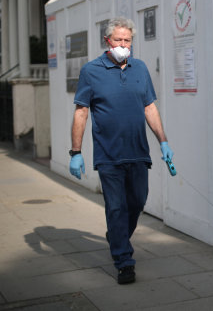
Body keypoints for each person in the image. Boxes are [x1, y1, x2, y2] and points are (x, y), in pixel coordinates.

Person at [69, 17, 173, 284]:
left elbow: (149, 107)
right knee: (116, 207)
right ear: (108, 41)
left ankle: (117, 235)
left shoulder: (140, 68)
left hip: (138, 151)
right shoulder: (91, 70)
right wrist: (76, 151)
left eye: (127, 40)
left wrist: (163, 141)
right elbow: (81, 111)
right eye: (118, 40)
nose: (123, 45)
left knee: (138, 201)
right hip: (108, 155)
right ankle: (124, 261)